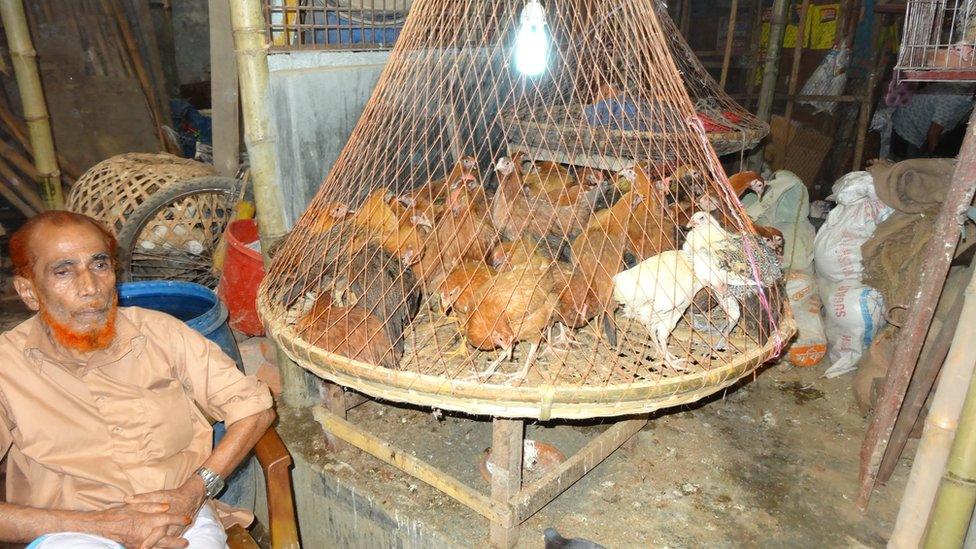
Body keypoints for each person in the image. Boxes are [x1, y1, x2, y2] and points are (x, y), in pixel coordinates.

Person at [0, 211, 275, 549]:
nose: (90, 288)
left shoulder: (159, 332)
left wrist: (195, 490)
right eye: (63, 271)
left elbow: (255, 408)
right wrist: (104, 526)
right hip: (71, 528)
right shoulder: (7, 367)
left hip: (180, 513)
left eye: (99, 265)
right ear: (28, 291)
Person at [891, 82, 975, 159]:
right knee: (909, 168)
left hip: (919, 125)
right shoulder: (955, 100)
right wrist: (933, 159)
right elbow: (933, 134)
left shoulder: (968, 95)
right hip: (905, 129)